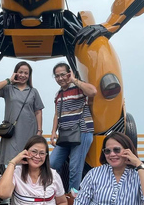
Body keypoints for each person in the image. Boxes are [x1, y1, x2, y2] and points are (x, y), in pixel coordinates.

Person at [74, 132, 144, 205]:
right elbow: (80, 202)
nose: (112, 154)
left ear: (128, 151)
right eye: (107, 151)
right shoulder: (94, 173)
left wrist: (138, 164)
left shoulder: (139, 175)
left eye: (117, 150)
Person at [49, 62, 97, 194]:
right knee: (51, 165)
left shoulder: (78, 87)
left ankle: (73, 196)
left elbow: (93, 91)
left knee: (75, 168)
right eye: (57, 76)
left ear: (69, 73)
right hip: (65, 134)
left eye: (63, 74)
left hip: (82, 131)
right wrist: (53, 131)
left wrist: (74, 80)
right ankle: (54, 192)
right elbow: (57, 114)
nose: (60, 78)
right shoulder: (59, 94)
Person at [0, 61, 44, 165]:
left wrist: (39, 131)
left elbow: (38, 111)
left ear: (29, 75)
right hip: (12, 131)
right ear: (15, 73)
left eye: (26, 73)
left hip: (29, 130)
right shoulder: (8, 89)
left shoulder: (33, 91)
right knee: (11, 161)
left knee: (28, 160)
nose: (23, 75)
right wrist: (9, 80)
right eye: (20, 72)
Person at [0, 135, 67, 205]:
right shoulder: (16, 172)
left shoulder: (53, 176)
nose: (37, 156)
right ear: (25, 152)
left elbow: (62, 202)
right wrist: (13, 162)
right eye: (34, 151)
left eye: (42, 153)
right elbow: (3, 194)